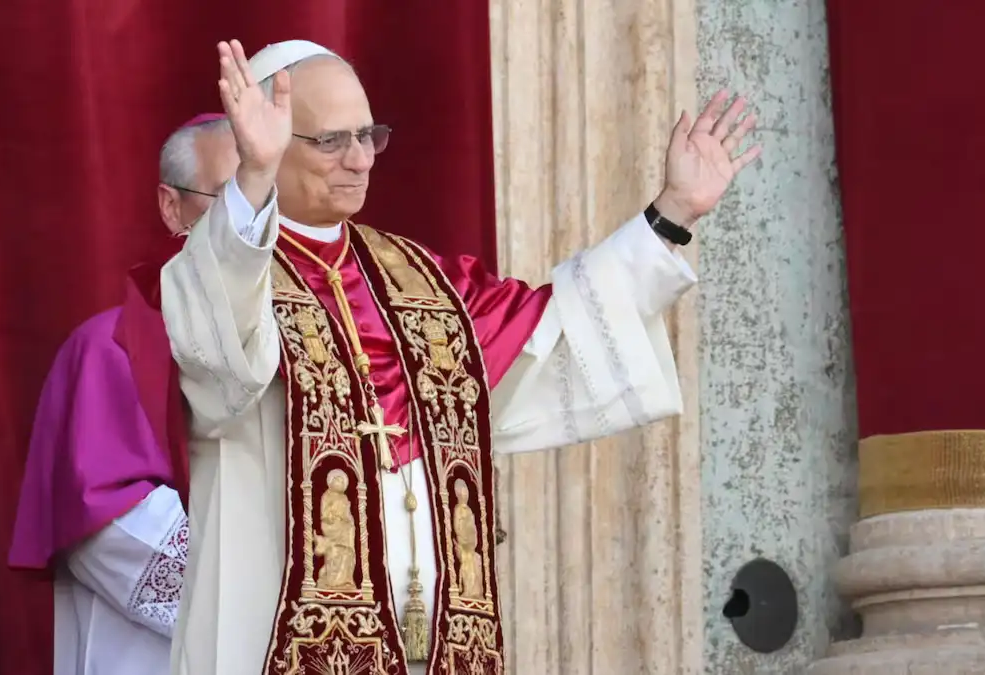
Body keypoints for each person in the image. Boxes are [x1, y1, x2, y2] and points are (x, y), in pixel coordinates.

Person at [162, 39, 761, 675]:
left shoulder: (423, 281)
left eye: (369, 136)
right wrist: (251, 179)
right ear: (272, 140)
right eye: (332, 141)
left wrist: (671, 215)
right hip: (274, 636)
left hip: (433, 638)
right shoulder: (221, 269)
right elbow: (221, 361)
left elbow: (555, 328)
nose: (361, 159)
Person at [8, 114, 239, 675]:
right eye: (231, 200)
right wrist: (265, 598)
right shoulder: (111, 349)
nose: (255, 228)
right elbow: (108, 523)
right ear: (171, 207)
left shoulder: (325, 344)